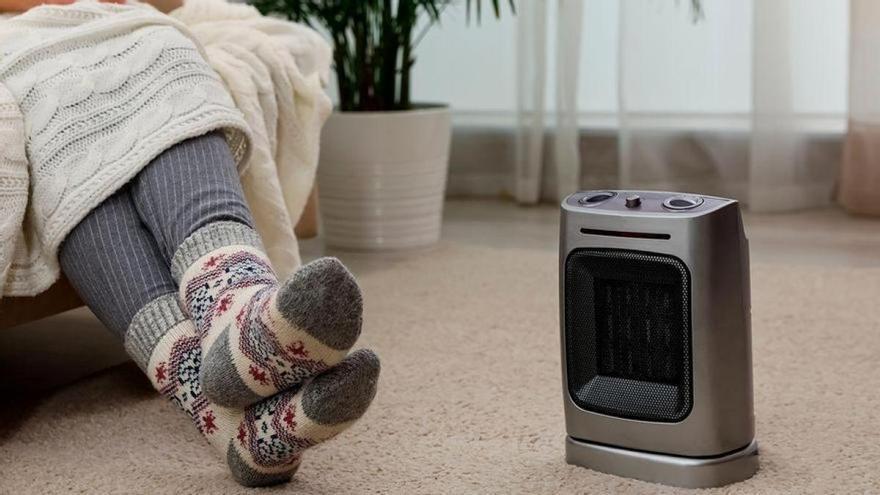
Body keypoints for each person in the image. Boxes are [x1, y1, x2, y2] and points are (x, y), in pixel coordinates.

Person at [0, 0, 379, 488]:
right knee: (53, 94)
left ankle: (236, 314)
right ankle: (240, 411)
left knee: (164, 49)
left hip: (104, 18)